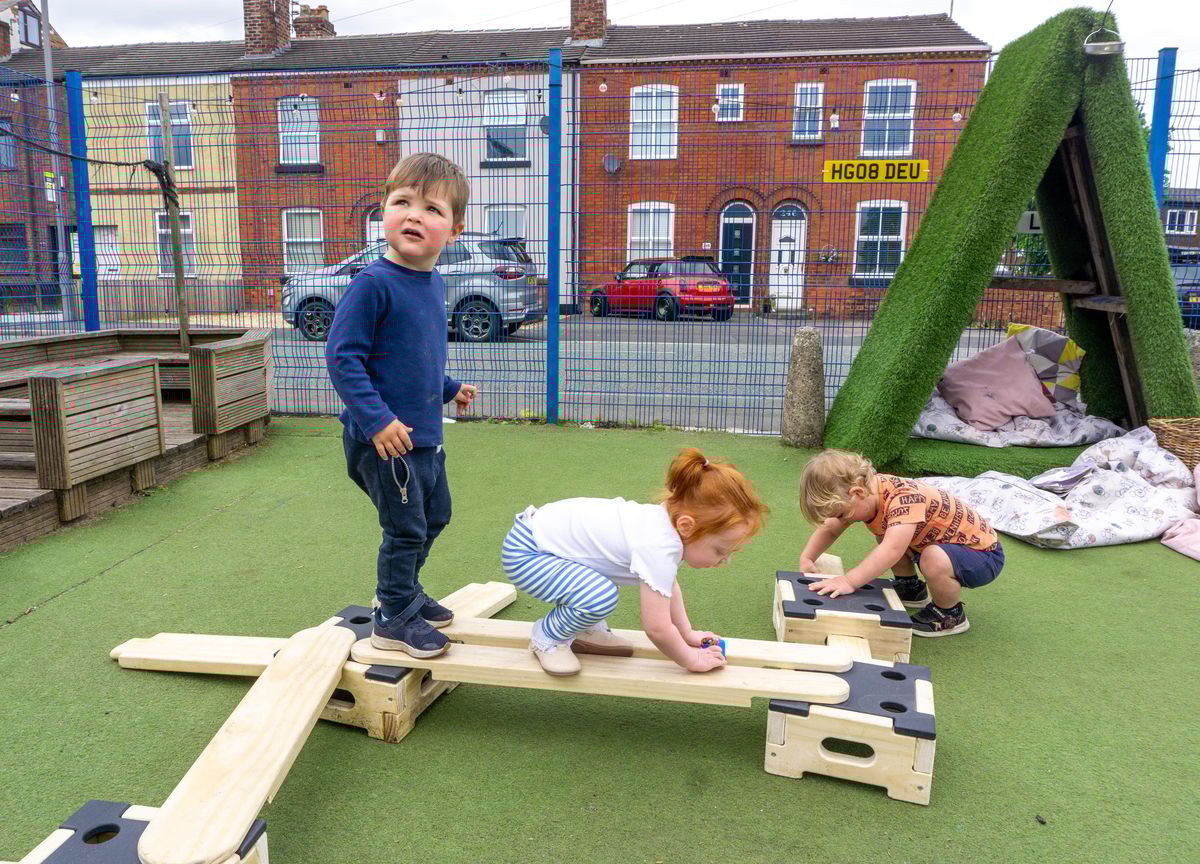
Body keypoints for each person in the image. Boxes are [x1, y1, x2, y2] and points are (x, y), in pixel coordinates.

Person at [325, 152, 477, 658]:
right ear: (384, 211)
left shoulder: (432, 284)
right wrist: (376, 421)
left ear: (453, 231)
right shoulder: (372, 284)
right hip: (384, 442)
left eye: (432, 209)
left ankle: (403, 592)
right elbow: (344, 358)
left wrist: (448, 388)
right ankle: (392, 616)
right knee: (405, 528)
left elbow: (415, 357)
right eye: (403, 202)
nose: (414, 215)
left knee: (436, 516)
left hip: (423, 436)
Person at [501, 448, 768, 675]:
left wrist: (687, 634)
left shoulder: (663, 526)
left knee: (597, 583)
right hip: (527, 552)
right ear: (686, 526)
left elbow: (667, 587)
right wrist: (692, 659)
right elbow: (656, 628)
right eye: (720, 550)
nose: (724, 560)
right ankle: (547, 638)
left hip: (541, 540)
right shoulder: (658, 545)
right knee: (599, 595)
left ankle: (582, 628)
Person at [797, 449, 1003, 637]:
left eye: (842, 514)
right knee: (890, 535)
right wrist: (808, 557)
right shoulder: (867, 493)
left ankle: (950, 614)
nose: (841, 520)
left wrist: (848, 581)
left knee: (928, 556)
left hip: (982, 556)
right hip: (938, 547)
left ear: (857, 493)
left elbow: (892, 550)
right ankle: (910, 588)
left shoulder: (903, 499)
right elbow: (831, 528)